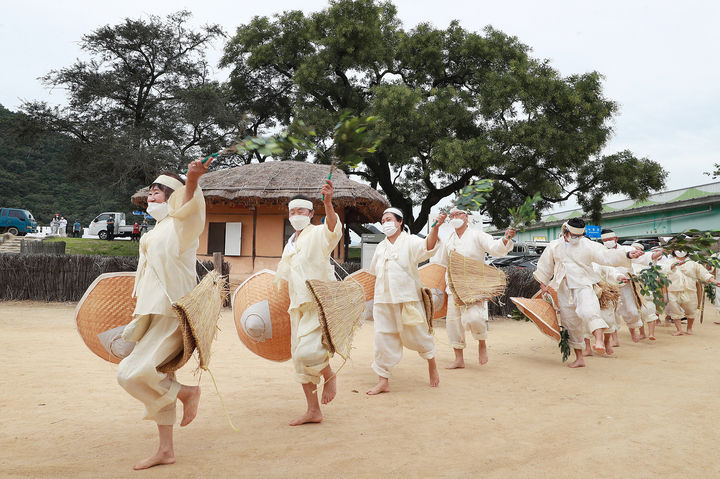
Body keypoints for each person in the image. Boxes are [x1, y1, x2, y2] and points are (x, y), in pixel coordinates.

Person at [115, 158, 209, 470]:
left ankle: (186, 393)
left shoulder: (182, 228)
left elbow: (191, 209)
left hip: (172, 313)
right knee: (159, 375)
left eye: (159, 191)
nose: (152, 195)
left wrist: (192, 181)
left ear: (174, 197)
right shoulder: (155, 231)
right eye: (151, 191)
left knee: (132, 374)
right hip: (151, 311)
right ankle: (166, 450)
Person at [274, 181, 342, 426]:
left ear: (311, 214)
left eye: (301, 211)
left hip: (318, 301)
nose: (296, 216)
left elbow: (333, 229)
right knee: (298, 360)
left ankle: (329, 374)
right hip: (297, 305)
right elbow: (285, 275)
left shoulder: (317, 233)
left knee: (307, 353)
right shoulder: (289, 243)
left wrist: (328, 203)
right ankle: (313, 410)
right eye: (292, 212)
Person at [533, 218, 644, 368]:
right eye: (573, 235)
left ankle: (598, 341)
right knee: (570, 322)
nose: (576, 239)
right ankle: (579, 358)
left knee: (589, 311)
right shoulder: (554, 246)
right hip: (564, 286)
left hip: (584, 283)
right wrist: (543, 284)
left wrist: (628, 255)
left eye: (579, 236)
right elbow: (545, 267)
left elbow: (606, 256)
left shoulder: (588, 244)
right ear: (565, 232)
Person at [366, 207, 444, 395]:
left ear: (400, 222)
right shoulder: (380, 247)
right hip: (383, 300)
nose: (386, 223)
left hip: (407, 298)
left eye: (389, 219)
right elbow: (373, 273)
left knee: (418, 335)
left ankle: (432, 364)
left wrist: (435, 228)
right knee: (382, 338)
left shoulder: (410, 241)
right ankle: (383, 380)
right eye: (383, 220)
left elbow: (428, 246)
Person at [432, 207, 515, 368]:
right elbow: (440, 262)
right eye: (452, 215)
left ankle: (481, 342)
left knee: (475, 317)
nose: (455, 217)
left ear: (466, 217)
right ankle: (458, 359)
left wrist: (505, 239)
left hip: (474, 286)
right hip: (453, 286)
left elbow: (495, 247)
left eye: (458, 214)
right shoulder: (449, 239)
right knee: (453, 324)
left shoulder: (478, 235)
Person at [599, 230, 661, 343]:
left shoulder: (626, 249)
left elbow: (641, 256)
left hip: (627, 284)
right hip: (609, 286)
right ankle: (614, 339)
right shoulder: (600, 251)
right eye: (604, 240)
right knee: (612, 313)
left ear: (616, 239)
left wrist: (653, 255)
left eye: (609, 240)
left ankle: (633, 331)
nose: (607, 242)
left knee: (632, 311)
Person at [661, 250, 720, 335]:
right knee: (675, 310)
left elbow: (703, 273)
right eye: (677, 249)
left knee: (691, 310)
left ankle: (689, 328)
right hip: (673, 290)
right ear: (674, 251)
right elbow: (662, 271)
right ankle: (679, 330)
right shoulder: (668, 262)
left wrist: (712, 280)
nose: (680, 251)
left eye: (683, 249)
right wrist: (672, 266)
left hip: (690, 290)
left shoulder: (693, 263)